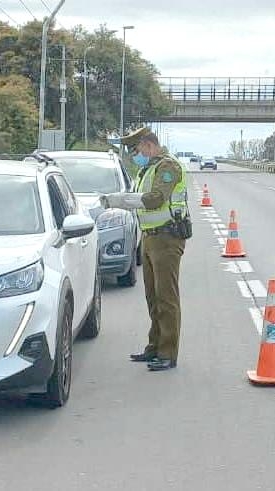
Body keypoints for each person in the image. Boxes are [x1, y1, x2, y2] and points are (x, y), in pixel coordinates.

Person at [101, 127, 189, 371]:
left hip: (167, 238)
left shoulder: (168, 167)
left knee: (166, 297)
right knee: (152, 296)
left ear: (149, 146)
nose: (136, 155)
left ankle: (168, 352)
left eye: (138, 150)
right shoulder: (148, 168)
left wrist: (120, 200)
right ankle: (154, 347)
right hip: (150, 237)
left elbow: (156, 198)